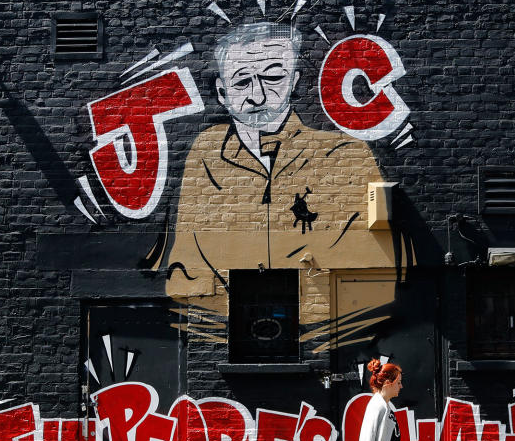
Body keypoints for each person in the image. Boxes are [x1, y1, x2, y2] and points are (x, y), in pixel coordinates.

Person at [165, 22, 396, 317]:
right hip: (235, 328)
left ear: (294, 81)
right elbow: (182, 275)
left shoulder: (345, 155)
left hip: (330, 328)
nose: (257, 95)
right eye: (241, 82)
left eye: (273, 77)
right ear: (222, 93)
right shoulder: (207, 153)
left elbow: (376, 276)